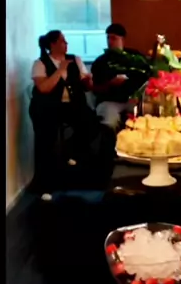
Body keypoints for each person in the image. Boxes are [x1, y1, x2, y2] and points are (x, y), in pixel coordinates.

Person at [29, 31, 100, 194]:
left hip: (72, 105)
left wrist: (88, 81)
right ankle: (45, 182)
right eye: (62, 41)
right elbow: (44, 88)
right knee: (45, 138)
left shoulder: (75, 59)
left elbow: (86, 86)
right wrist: (60, 70)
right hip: (47, 107)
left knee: (92, 123)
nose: (66, 43)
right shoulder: (40, 63)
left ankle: (71, 154)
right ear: (53, 44)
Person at [91, 24, 149, 131]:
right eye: (108, 38)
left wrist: (137, 95)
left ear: (122, 40)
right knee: (109, 124)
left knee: (148, 117)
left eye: (113, 38)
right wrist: (110, 84)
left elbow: (146, 78)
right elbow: (95, 89)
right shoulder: (101, 61)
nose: (110, 41)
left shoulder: (134, 57)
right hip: (109, 101)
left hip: (133, 100)